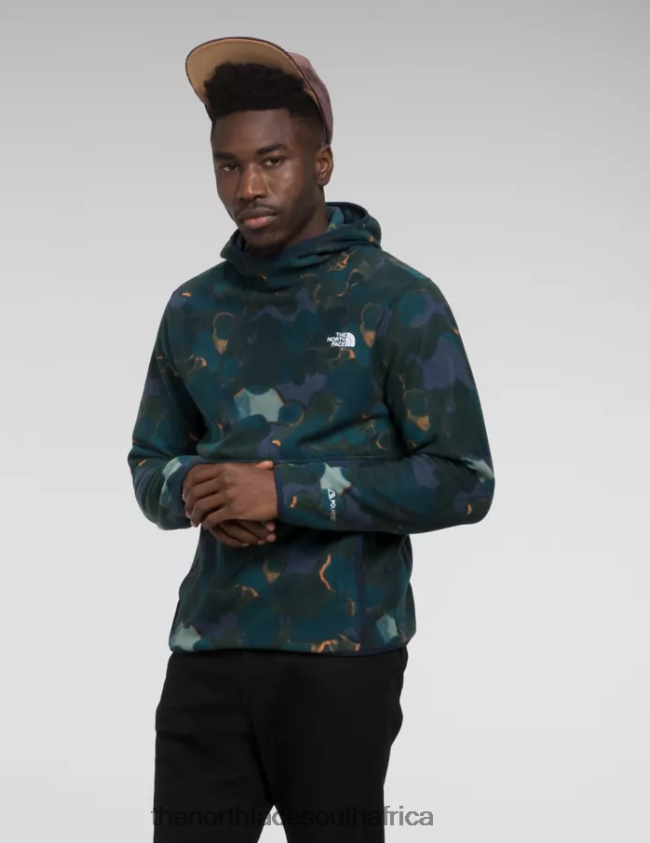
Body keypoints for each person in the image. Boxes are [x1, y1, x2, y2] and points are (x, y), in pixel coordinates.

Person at [127, 35, 495, 843]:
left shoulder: (398, 300)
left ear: (321, 162)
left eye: (272, 161)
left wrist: (281, 491)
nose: (248, 187)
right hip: (209, 647)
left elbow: (464, 479)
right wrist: (198, 490)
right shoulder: (192, 308)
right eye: (228, 166)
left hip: (341, 659)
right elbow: (149, 464)